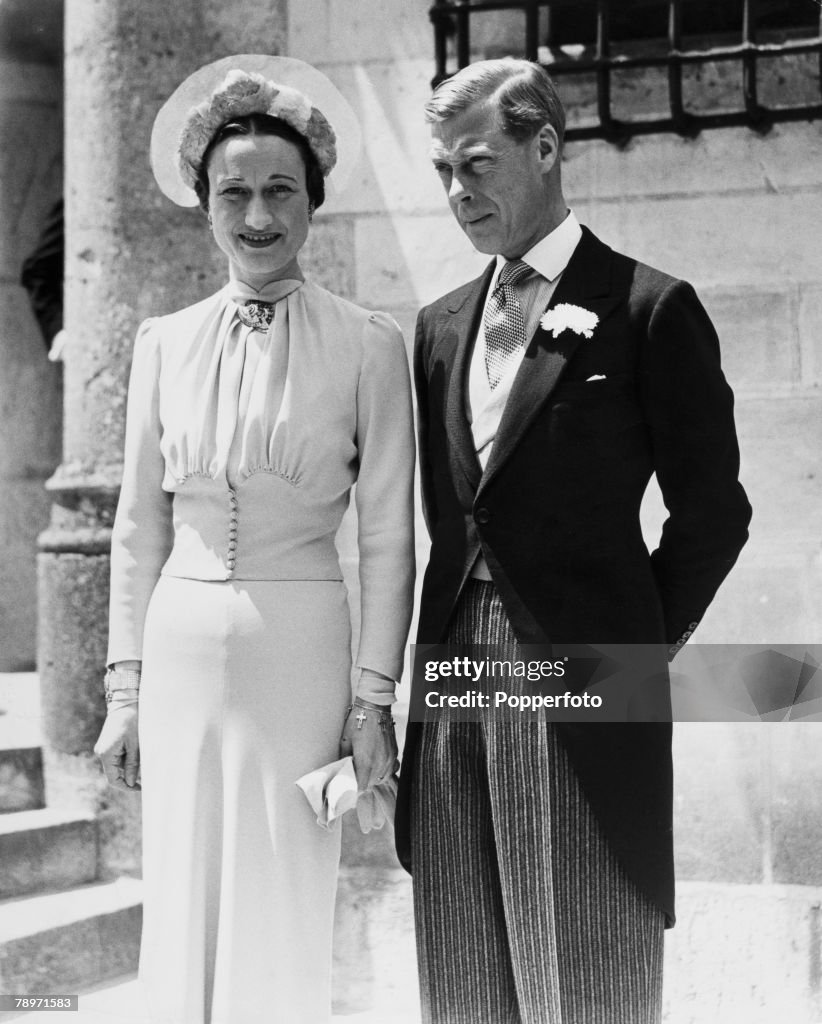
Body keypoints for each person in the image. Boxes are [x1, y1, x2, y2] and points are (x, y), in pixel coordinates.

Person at [395, 58, 752, 1024]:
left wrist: (630, 650)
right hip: (454, 675)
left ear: (545, 146)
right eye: (442, 173)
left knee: (585, 955)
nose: (458, 192)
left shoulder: (648, 308)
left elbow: (715, 511)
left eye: (476, 164)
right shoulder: (436, 330)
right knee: (464, 954)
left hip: (583, 679)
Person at [93, 55, 415, 1024]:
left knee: (284, 882)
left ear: (314, 201)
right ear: (204, 204)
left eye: (281, 191)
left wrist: (371, 702)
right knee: (182, 886)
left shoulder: (368, 343)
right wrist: (124, 686)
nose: (258, 216)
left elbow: (392, 537)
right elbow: (138, 527)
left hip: (302, 649)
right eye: (234, 193)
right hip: (180, 648)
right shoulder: (161, 341)